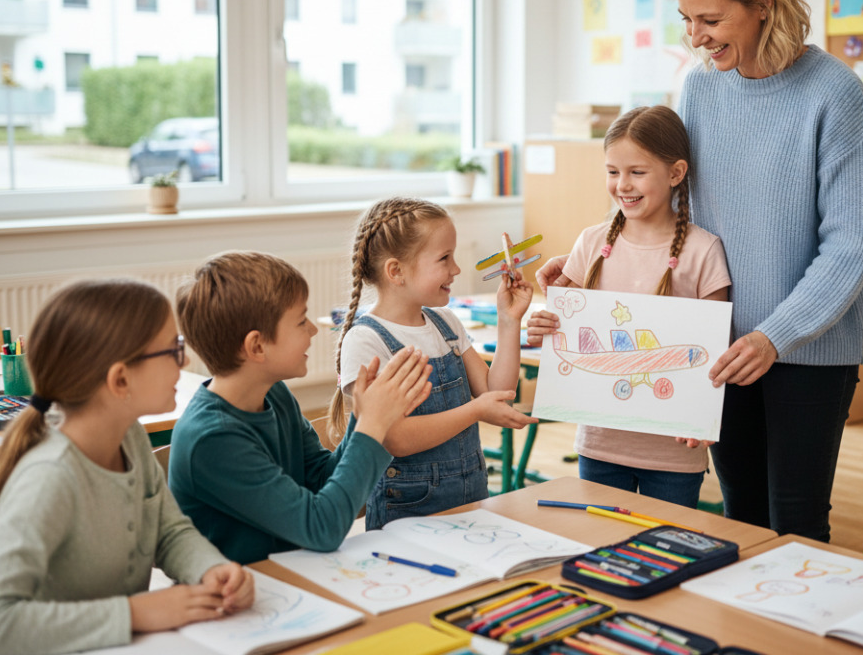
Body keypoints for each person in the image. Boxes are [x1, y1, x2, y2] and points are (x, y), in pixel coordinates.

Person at [537, 0, 863, 541]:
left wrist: (775, 335)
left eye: (711, 20)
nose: (695, 38)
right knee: (739, 512)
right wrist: (595, 259)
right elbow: (669, 203)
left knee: (797, 519)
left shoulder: (836, 94)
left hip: (809, 347)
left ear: (763, 4)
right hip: (713, 340)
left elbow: (850, 247)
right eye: (686, 20)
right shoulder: (699, 86)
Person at [0, 279, 254, 655]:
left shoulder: (128, 435)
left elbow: (168, 531)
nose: (185, 361)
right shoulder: (50, 478)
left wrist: (210, 569)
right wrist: (133, 613)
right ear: (120, 379)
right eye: (173, 350)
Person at [525, 106, 731, 508]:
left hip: (674, 453)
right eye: (612, 171)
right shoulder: (590, 242)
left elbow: (715, 352)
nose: (622, 185)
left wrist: (705, 415)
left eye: (637, 172)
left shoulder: (703, 251)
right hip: (599, 445)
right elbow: (564, 327)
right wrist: (541, 328)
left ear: (676, 173)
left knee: (664, 539)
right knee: (599, 538)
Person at [169, 251, 433, 563]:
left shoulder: (274, 393)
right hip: (248, 587)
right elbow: (323, 528)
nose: (313, 329)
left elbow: (321, 479)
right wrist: (372, 427)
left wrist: (365, 416)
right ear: (257, 346)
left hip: (293, 573)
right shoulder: (213, 439)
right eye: (300, 321)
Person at [330, 197, 537, 529]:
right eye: (444, 258)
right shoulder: (365, 340)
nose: (456, 269)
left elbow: (497, 392)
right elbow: (396, 437)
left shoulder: (446, 323)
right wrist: (475, 410)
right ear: (396, 271)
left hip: (471, 501)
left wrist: (509, 320)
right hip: (405, 516)